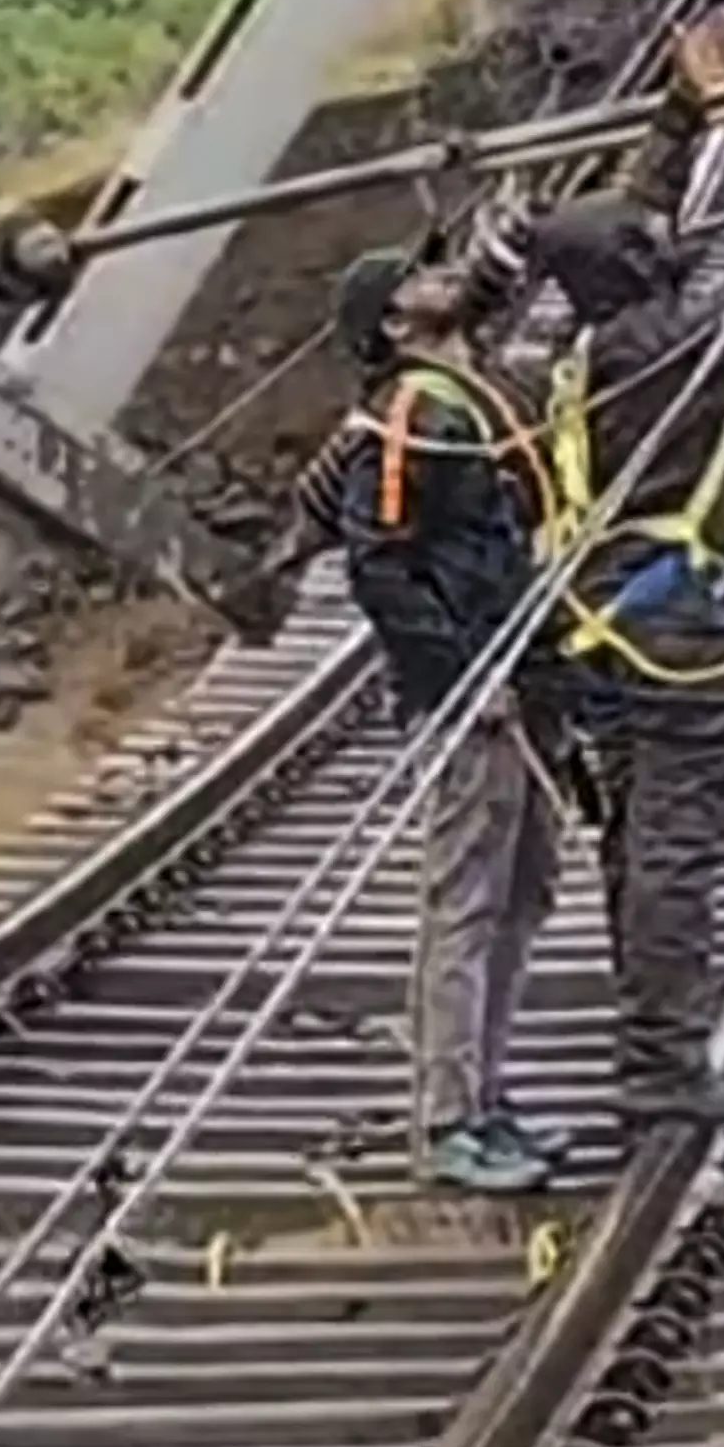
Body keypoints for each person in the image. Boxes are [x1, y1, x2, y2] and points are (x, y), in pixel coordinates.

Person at [517, 26, 724, 1130]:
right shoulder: (667, 353)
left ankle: (647, 1035)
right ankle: (660, 1065)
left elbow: (614, 228)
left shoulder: (581, 341)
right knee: (677, 850)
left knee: (635, 832)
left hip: (601, 623)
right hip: (681, 635)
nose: (667, 244)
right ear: (641, 270)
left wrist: (682, 118)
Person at [290, 228, 572, 1195]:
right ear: (395, 320)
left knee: (527, 890)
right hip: (475, 694)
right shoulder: (410, 412)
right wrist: (461, 680)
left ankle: (486, 1099)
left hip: (525, 678)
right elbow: (379, 561)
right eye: (416, 273)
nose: (442, 273)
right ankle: (447, 1119)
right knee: (466, 899)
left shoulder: (473, 388)